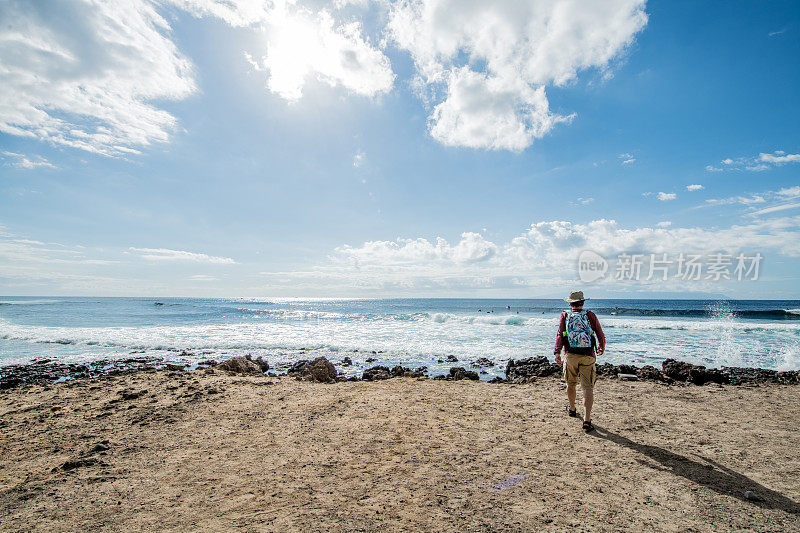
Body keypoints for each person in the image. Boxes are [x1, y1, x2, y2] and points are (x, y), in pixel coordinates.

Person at [554, 290, 605, 432]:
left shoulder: (565, 315)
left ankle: (571, 409)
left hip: (570, 355)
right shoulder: (590, 315)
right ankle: (587, 420)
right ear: (583, 302)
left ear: (570, 303)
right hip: (588, 355)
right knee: (587, 388)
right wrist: (601, 347)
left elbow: (560, 334)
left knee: (570, 384)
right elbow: (599, 333)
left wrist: (557, 352)